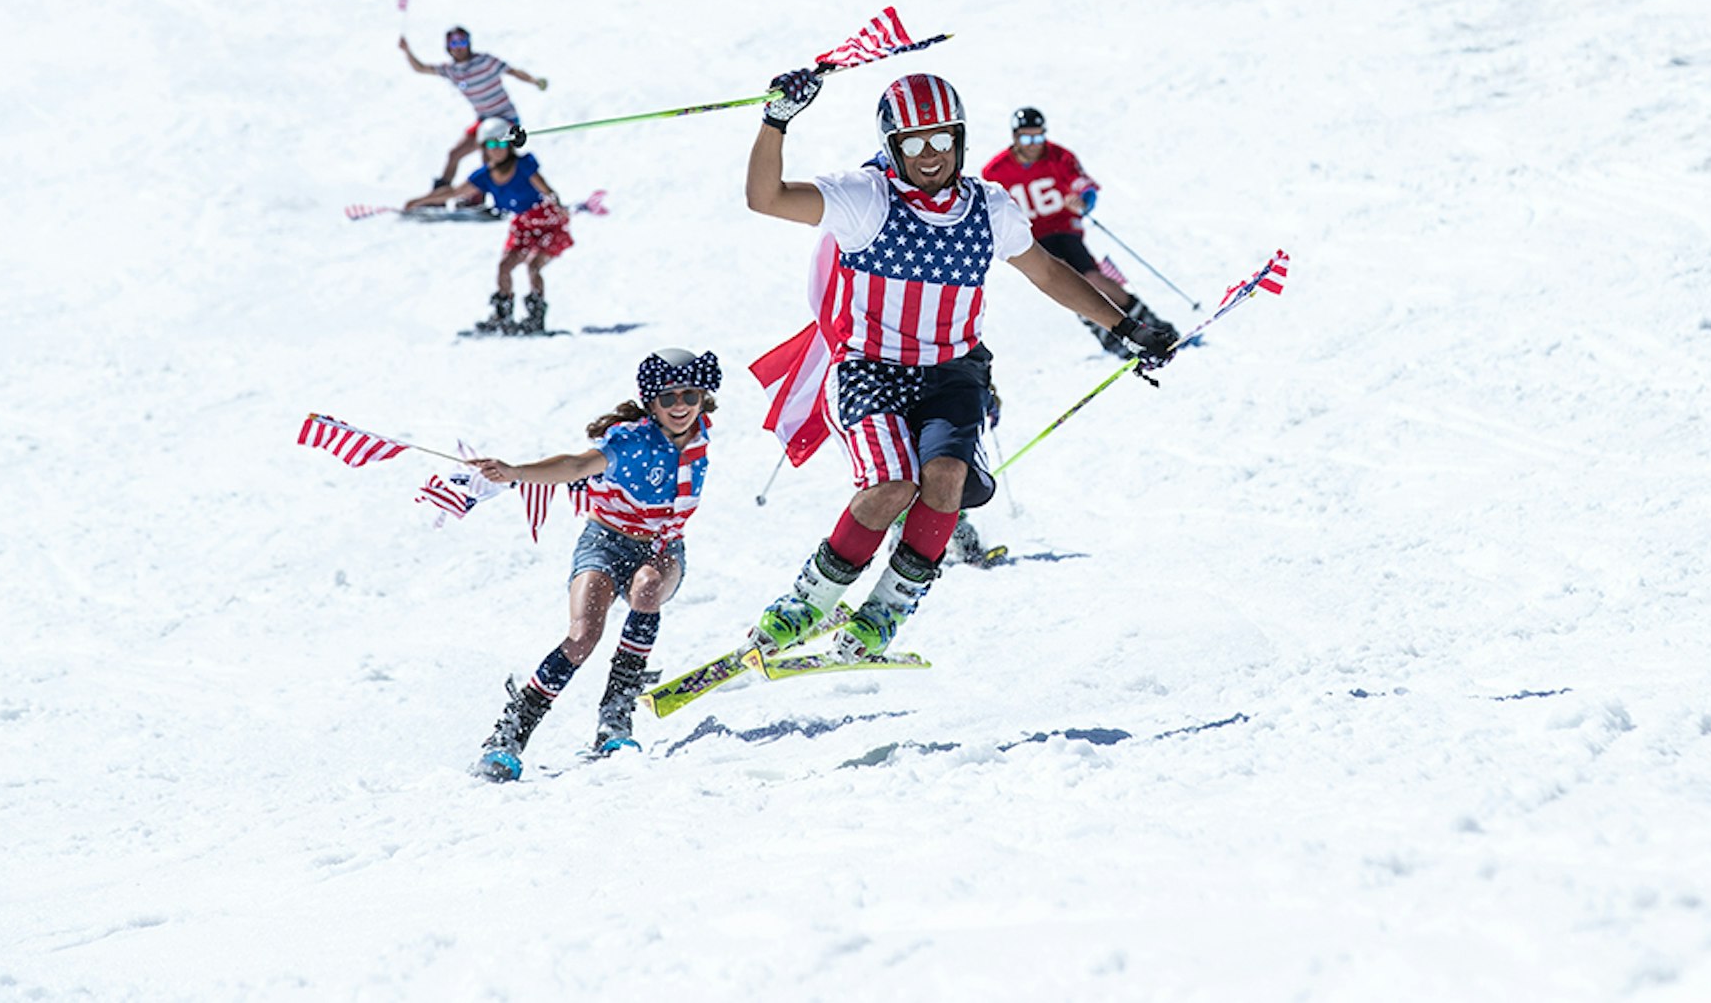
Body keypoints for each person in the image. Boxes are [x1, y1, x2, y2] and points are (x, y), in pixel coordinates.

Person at [742, 70, 1180, 660]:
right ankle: (809, 599)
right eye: (915, 143)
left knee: (946, 480)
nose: (930, 156)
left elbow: (1048, 272)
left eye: (942, 140)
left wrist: (1125, 328)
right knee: (892, 485)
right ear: (893, 144)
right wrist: (777, 121)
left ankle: (886, 610)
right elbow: (764, 198)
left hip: (952, 371)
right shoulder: (866, 198)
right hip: (871, 368)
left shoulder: (989, 207)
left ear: (961, 140)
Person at [469, 348, 721, 781]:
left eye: (690, 395)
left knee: (646, 589)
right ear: (650, 403)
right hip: (606, 542)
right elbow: (575, 465)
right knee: (583, 635)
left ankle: (615, 717)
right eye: (668, 398)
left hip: (662, 547)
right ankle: (510, 732)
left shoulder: (700, 434)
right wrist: (516, 472)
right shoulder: (631, 439)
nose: (680, 406)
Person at [982, 106, 1178, 355]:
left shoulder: (1059, 157)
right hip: (1032, 237)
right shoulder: (996, 171)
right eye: (1027, 138)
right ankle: (1107, 335)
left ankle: (1150, 322)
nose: (1034, 144)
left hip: (1063, 230)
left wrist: (1083, 201)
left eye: (1039, 137)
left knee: (1093, 278)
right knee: (1063, 280)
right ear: (1015, 137)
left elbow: (1085, 186)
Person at [404, 117, 572, 334]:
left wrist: (559, 206)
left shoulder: (524, 166)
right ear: (484, 148)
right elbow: (454, 192)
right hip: (522, 224)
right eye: (492, 145)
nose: (498, 150)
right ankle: (503, 316)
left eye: (502, 144)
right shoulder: (484, 176)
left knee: (533, 265)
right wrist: (418, 201)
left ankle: (535, 316)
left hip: (546, 221)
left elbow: (547, 192)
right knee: (505, 266)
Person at [398, 26, 548, 192]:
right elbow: (420, 68)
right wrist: (406, 51)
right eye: (454, 43)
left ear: (469, 43)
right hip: (484, 120)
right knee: (454, 154)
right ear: (448, 47)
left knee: (490, 155)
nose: (459, 47)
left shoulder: (485, 61)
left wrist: (534, 81)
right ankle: (439, 196)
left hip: (504, 118)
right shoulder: (452, 70)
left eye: (462, 41)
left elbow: (512, 71)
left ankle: (481, 197)